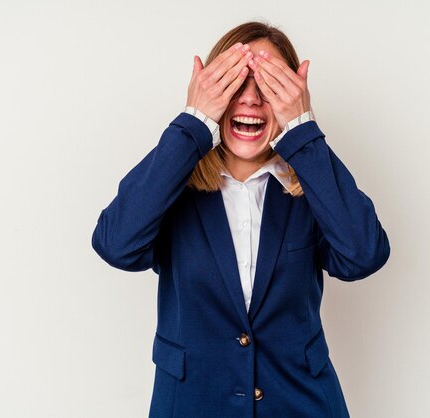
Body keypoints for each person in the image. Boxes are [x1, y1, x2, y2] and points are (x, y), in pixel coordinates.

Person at [91, 20, 390, 418]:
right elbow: (116, 244)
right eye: (234, 85)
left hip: (301, 404)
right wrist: (194, 121)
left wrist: (302, 130)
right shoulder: (173, 184)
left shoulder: (312, 187)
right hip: (193, 405)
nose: (249, 100)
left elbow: (364, 255)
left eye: (268, 87)